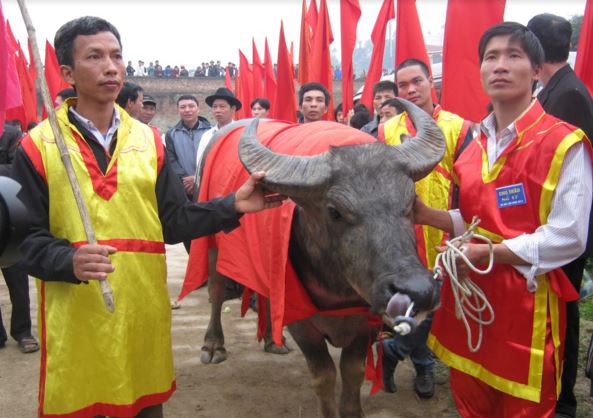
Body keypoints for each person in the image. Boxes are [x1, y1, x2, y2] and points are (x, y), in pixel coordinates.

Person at [11, 16, 284, 418]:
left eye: (116, 56)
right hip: (77, 316)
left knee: (145, 407)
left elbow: (173, 222)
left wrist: (232, 206)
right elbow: (24, 240)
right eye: (95, 57)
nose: (111, 67)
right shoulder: (40, 145)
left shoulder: (148, 141)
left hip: (142, 311)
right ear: (67, 73)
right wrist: (67, 259)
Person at [415, 22, 592, 417]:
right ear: (480, 71)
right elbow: (475, 220)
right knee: (471, 403)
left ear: (537, 70)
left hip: (526, 314)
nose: (499, 65)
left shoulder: (563, 143)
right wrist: (426, 215)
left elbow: (568, 236)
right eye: (490, 57)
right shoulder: (471, 147)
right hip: (471, 306)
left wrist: (490, 253)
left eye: (513, 56)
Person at [379, 58, 472, 399]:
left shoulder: (458, 127)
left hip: (444, 230)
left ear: (431, 81)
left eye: (416, 81)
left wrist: (462, 229)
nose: (410, 90)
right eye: (402, 85)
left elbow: (469, 183)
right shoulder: (387, 130)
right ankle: (423, 366)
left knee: (438, 303)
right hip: (401, 236)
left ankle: (396, 351)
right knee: (415, 302)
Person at [527, 14, 593, 417]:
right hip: (547, 224)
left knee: (564, 313)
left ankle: (563, 399)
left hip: (563, 227)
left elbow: (562, 169)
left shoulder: (568, 95)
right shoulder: (555, 88)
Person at [0, 123, 39, 354]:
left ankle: (23, 331)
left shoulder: (11, 134)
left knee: (17, 280)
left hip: (9, 217)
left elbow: (17, 169)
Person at [164, 95, 211, 206]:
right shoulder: (171, 134)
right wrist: (185, 179)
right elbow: (171, 159)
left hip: (207, 182)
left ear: (198, 109)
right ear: (178, 110)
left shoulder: (211, 131)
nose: (187, 110)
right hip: (184, 187)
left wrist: (197, 178)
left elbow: (213, 157)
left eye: (191, 106)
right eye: (183, 107)